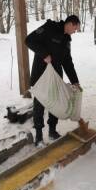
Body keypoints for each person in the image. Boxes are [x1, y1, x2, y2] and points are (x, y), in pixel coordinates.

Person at [26, 15, 81, 147]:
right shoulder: (49, 28)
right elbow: (29, 40)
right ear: (70, 24)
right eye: (76, 28)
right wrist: (44, 54)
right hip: (41, 75)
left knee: (56, 101)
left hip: (55, 76)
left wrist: (75, 81)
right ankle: (38, 136)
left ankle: (52, 130)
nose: (76, 31)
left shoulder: (67, 40)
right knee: (39, 104)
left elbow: (67, 62)